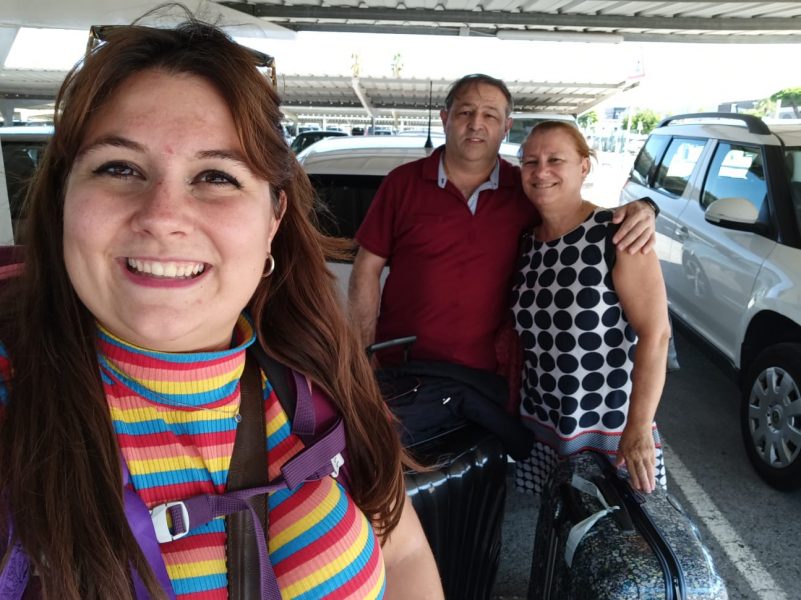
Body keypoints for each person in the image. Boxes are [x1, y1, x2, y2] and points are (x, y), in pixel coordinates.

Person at [0, 18, 443, 600]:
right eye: (119, 168)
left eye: (216, 176)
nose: (162, 215)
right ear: (63, 199)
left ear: (273, 221)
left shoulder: (317, 379)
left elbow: (404, 551)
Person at [348, 74, 657, 423]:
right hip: (401, 370)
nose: (476, 124)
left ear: (506, 126)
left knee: (479, 476)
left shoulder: (524, 188)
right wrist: (363, 353)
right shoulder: (402, 184)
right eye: (465, 112)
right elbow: (366, 268)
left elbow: (574, 216)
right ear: (445, 118)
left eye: (490, 115)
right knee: (398, 473)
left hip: (487, 382)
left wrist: (644, 208)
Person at [511, 121, 671, 495]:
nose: (541, 171)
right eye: (530, 161)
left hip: (609, 432)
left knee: (622, 546)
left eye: (556, 159)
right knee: (560, 541)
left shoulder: (616, 233)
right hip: (545, 427)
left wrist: (639, 428)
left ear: (584, 166)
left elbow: (656, 333)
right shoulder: (527, 243)